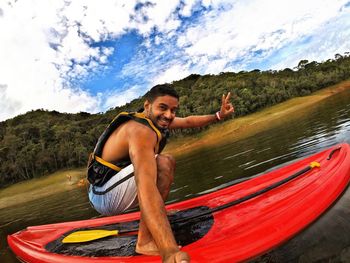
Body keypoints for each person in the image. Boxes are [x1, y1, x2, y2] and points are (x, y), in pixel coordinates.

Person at [87, 84, 234, 263]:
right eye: (163, 108)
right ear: (147, 106)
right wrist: (169, 251)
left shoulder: (156, 121)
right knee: (163, 163)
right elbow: (146, 187)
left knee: (164, 162)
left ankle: (152, 223)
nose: (169, 115)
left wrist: (219, 115)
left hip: (110, 188)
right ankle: (145, 241)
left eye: (173, 110)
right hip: (103, 195)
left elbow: (188, 121)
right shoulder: (140, 131)